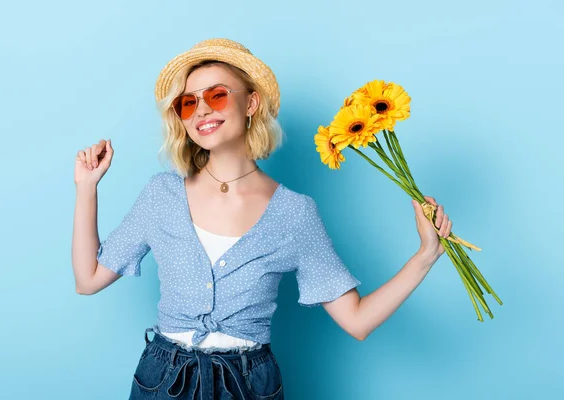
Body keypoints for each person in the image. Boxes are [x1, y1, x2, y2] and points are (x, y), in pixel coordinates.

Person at [71, 38, 453, 400]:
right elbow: (88, 280)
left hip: (247, 384)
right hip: (163, 379)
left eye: (217, 95)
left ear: (251, 102)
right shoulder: (161, 195)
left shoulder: (294, 213)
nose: (201, 110)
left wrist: (425, 255)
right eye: (188, 103)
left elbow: (356, 321)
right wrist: (87, 187)